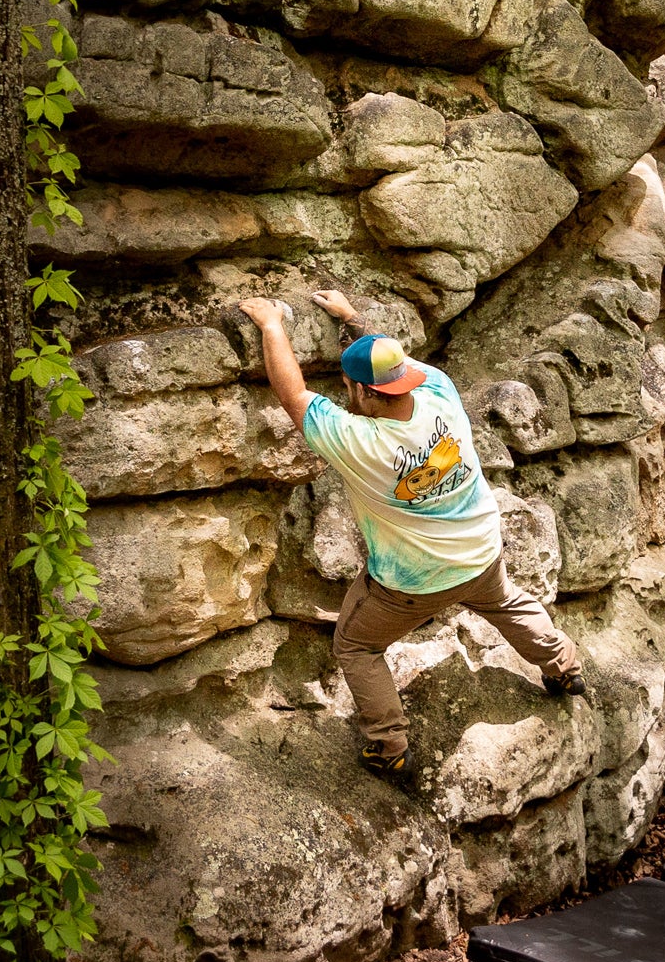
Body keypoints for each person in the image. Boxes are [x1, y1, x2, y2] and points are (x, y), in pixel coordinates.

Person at [238, 290, 584, 778]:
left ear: (365, 393)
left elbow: (294, 396)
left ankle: (389, 745)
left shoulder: (362, 441)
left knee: (356, 646)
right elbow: (389, 361)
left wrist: (272, 325)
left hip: (412, 583)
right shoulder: (438, 389)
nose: (347, 395)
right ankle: (565, 669)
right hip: (481, 550)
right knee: (507, 602)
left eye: (349, 388)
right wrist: (352, 318)